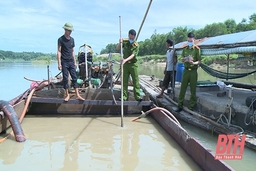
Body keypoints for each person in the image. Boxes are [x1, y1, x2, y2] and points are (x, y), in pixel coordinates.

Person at [57, 22, 85, 102]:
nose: (70, 32)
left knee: (75, 78)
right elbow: (59, 51)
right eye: (69, 30)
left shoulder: (72, 40)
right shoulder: (61, 39)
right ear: (65, 30)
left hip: (71, 62)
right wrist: (59, 63)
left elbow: (73, 51)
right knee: (66, 78)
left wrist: (75, 62)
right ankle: (67, 95)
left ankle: (77, 95)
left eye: (71, 30)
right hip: (64, 62)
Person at [175, 32, 201, 112]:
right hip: (185, 70)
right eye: (188, 41)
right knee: (183, 88)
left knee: (193, 90)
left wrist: (193, 63)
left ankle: (191, 107)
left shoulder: (197, 49)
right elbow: (181, 59)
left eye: (191, 40)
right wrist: (185, 59)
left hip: (193, 71)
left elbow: (199, 61)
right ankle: (180, 105)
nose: (189, 42)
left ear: (194, 40)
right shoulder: (185, 49)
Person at [116, 29, 142, 101]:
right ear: (128, 35)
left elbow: (133, 55)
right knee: (124, 81)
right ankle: (124, 97)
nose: (131, 39)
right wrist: (120, 43)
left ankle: (137, 96)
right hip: (125, 65)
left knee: (135, 80)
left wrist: (125, 60)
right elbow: (117, 48)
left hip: (133, 65)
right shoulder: (125, 42)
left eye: (132, 37)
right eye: (130, 37)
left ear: (134, 37)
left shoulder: (136, 45)